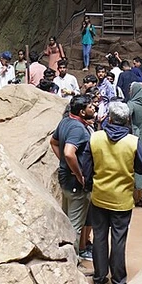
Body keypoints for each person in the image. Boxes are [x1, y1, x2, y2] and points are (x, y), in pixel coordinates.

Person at [84, 101, 142, 284]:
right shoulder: (133, 141)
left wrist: (90, 185)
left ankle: (99, 278)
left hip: (99, 196)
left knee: (100, 237)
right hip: (122, 199)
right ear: (127, 120)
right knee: (118, 239)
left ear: (109, 118)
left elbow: (87, 168)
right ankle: (118, 282)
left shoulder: (95, 138)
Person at [50, 94, 96, 262]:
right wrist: (78, 173)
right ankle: (72, 262)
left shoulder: (65, 121)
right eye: (91, 106)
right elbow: (70, 153)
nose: (94, 108)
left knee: (68, 220)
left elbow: (53, 142)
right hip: (76, 182)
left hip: (65, 179)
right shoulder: (77, 128)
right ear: (82, 112)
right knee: (74, 226)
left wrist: (63, 162)